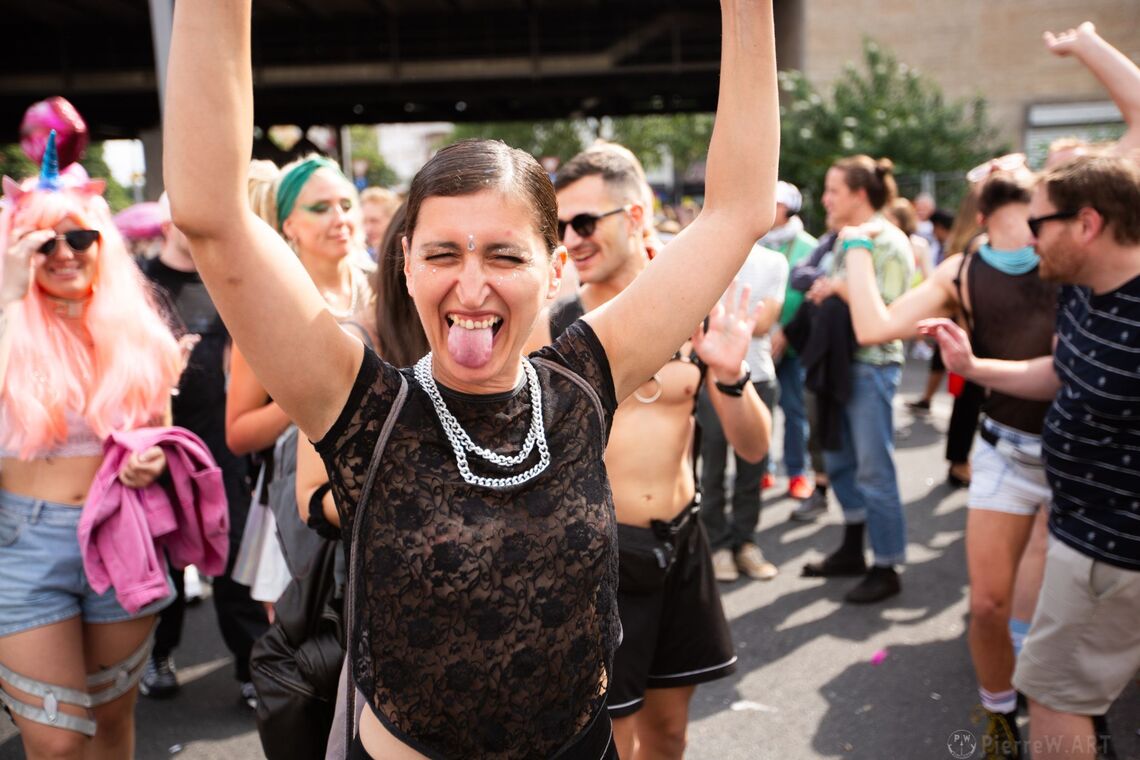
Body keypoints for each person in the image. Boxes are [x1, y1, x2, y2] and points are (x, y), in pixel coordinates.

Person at [163, 0, 778, 757]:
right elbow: (211, 212)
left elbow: (738, 210)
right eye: (445, 254)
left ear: (553, 268)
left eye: (505, 256)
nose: (473, 286)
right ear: (407, 263)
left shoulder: (586, 381)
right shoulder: (358, 405)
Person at [532, 144, 771, 759]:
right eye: (561, 227)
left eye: (586, 222)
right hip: (601, 561)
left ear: (636, 215)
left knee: (669, 734)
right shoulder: (553, 326)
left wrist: (731, 375)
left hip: (682, 544)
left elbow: (752, 447)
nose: (572, 239)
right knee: (614, 740)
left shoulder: (698, 309)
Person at [922, 153, 1140, 760]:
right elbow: (1064, 371)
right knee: (1058, 692)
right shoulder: (1078, 292)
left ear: (1088, 224)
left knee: (1052, 698)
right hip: (1081, 535)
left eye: (1039, 222)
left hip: (1114, 552)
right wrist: (973, 368)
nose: (1028, 235)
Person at [846, 168, 1057, 757]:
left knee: (1044, 613)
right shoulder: (961, 270)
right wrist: (858, 244)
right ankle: (999, 717)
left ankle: (1061, 715)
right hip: (1005, 452)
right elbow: (874, 326)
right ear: (984, 214)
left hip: (1077, 455)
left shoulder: (1071, 246)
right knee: (987, 605)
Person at [0, 140, 184, 757]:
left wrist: (152, 460)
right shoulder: (7, 327)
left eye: (78, 238)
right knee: (55, 742)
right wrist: (7, 295)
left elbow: (158, 429)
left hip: (119, 537)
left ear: (103, 242)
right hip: (23, 546)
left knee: (111, 720)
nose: (63, 254)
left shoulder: (138, 332)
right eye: (42, 242)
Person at [227, 155, 373, 625]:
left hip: (384, 484)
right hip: (300, 499)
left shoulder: (385, 292)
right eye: (320, 208)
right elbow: (239, 433)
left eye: (346, 203)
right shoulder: (268, 309)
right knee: (306, 640)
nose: (339, 218)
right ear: (288, 223)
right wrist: (313, 395)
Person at [139, 195, 271, 706]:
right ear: (169, 219)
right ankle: (159, 653)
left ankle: (249, 668)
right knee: (166, 565)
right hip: (161, 445)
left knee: (236, 560)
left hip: (224, 447)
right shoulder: (139, 284)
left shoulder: (229, 278)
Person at [801, 155, 914, 604]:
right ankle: (852, 550)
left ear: (860, 195)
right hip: (837, 364)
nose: (826, 199)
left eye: (833, 190)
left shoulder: (888, 241)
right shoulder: (842, 240)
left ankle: (887, 564)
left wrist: (837, 288)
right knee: (839, 458)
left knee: (873, 468)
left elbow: (888, 311)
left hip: (871, 365)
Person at [761, 180, 821, 502]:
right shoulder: (753, 242)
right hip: (757, 342)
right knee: (760, 407)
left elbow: (811, 300)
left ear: (785, 208)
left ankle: (798, 472)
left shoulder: (809, 247)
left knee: (795, 410)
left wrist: (784, 331)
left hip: (795, 344)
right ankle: (763, 468)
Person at [360, 187, 401, 260]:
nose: (367, 229)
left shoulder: (404, 259)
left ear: (393, 219)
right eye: (364, 221)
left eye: (374, 221)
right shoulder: (363, 258)